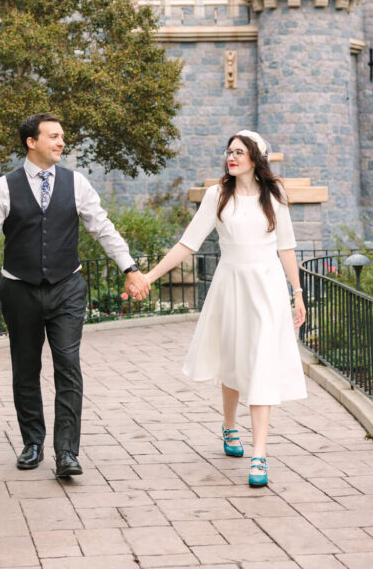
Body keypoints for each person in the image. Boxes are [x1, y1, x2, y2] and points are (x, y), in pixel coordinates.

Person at [0, 112, 151, 479]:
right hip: (19, 288)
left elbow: (102, 227)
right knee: (26, 367)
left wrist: (129, 267)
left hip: (67, 287)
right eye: (53, 136)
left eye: (62, 136)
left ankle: (67, 452)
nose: (61, 142)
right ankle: (32, 442)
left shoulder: (76, 183)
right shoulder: (5, 187)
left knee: (68, 366)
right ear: (31, 142)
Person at [141, 129, 307, 487]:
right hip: (230, 286)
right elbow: (188, 244)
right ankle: (229, 426)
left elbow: (287, 247)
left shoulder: (274, 196)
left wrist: (297, 291)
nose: (231, 157)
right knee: (232, 359)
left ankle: (259, 455)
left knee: (261, 362)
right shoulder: (217, 196)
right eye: (228, 152)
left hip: (266, 288)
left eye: (239, 152)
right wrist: (150, 277)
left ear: (255, 159)